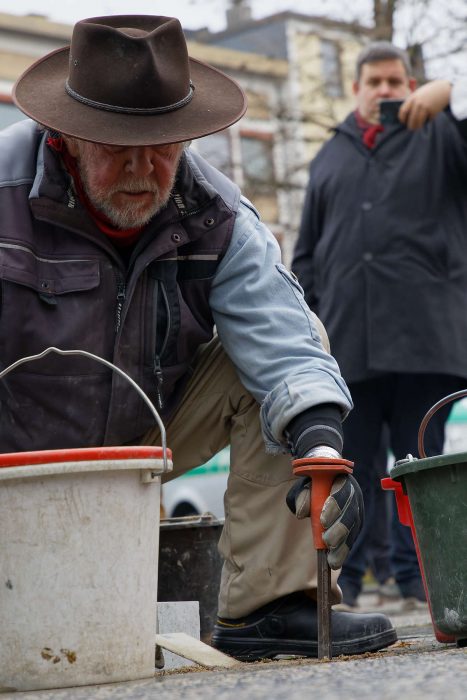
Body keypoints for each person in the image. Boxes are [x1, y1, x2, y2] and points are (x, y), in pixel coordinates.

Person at [1, 15, 397, 660]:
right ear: (66, 138)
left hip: (140, 442)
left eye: (161, 146)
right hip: (12, 459)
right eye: (116, 146)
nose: (141, 168)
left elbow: (283, 334)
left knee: (283, 379)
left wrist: (320, 445)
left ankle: (268, 606)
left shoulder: (215, 210)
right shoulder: (3, 195)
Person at [292, 41, 467, 610]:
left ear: (410, 84)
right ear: (356, 88)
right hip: (349, 341)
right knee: (354, 467)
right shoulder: (329, 157)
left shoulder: (440, 135)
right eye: (376, 81)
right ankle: (346, 586)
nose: (386, 91)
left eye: (397, 81)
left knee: (422, 464)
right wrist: (307, 323)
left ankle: (425, 583)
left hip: (426, 335)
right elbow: (308, 254)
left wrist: (448, 97)